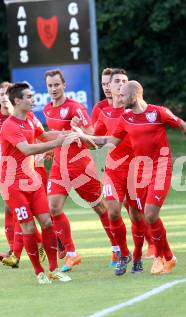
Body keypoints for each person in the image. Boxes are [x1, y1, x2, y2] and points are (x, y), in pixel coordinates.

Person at [73, 81, 186, 275]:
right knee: (150, 217)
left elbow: (184, 127)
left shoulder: (158, 113)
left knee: (150, 214)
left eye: (123, 95)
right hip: (140, 171)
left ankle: (158, 257)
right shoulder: (125, 118)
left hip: (160, 167)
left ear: (134, 94)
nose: (120, 98)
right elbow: (110, 142)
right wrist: (82, 135)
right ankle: (169, 256)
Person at [0, 82, 86, 284]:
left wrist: (69, 133)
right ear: (17, 100)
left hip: (33, 182)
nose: (33, 99)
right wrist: (58, 143)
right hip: (14, 186)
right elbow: (27, 149)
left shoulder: (30, 119)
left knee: (47, 223)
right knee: (28, 227)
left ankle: (54, 270)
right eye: (29, 96)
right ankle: (39, 273)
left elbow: (44, 135)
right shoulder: (9, 125)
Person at [43, 69, 114, 272]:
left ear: (64, 84)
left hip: (80, 166)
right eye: (50, 85)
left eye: (57, 84)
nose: (54, 89)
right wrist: (47, 151)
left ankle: (117, 248)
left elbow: (91, 138)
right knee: (53, 208)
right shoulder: (47, 110)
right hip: (59, 166)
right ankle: (72, 254)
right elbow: (51, 139)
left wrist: (75, 131)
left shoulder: (76, 108)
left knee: (100, 208)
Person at [90, 68, 153, 275]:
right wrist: (80, 133)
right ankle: (123, 253)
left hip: (135, 170)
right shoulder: (105, 113)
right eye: (117, 81)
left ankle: (136, 257)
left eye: (125, 81)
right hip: (113, 170)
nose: (120, 84)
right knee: (113, 211)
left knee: (136, 214)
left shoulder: (135, 112)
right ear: (110, 85)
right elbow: (95, 141)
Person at [0, 81, 45, 265]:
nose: (3, 97)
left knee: (28, 212)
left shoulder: (28, 117)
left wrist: (44, 151)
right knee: (14, 211)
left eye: (5, 94)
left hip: (30, 167)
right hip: (7, 170)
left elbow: (42, 136)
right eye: (0, 94)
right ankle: (23, 248)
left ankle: (24, 250)